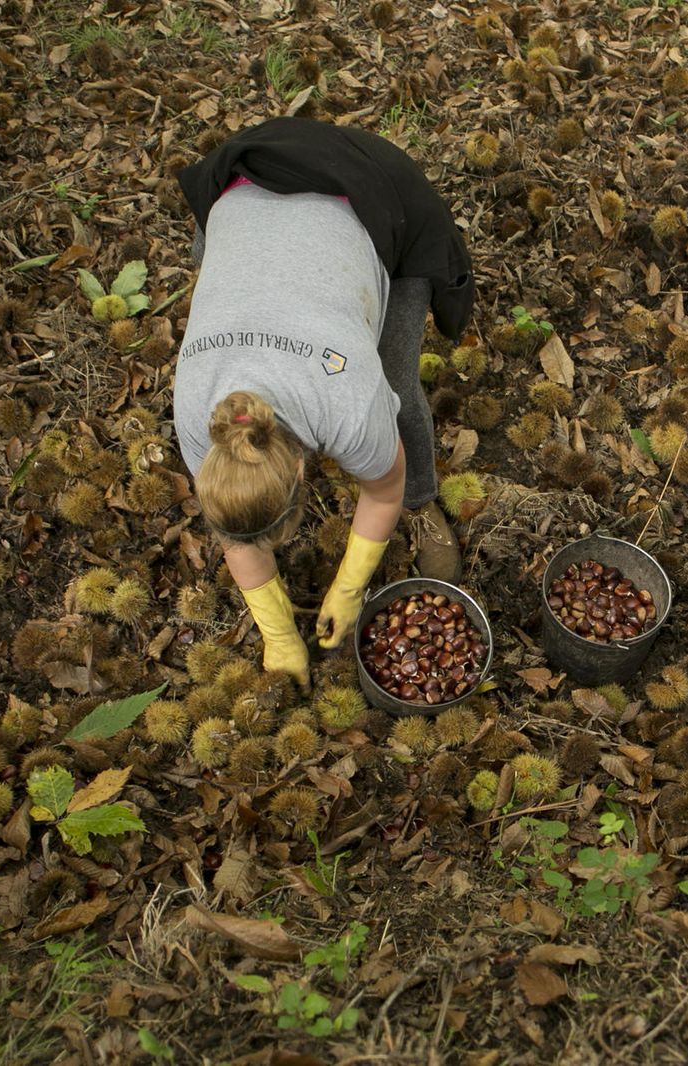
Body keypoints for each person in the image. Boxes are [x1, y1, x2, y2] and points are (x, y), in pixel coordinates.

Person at [172, 118, 474, 687]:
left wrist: (351, 583)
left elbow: (378, 488)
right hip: (246, 195)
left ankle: (424, 502)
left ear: (302, 465)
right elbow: (235, 539)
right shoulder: (198, 416)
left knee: (401, 390)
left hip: (371, 191)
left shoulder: (349, 400)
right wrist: (279, 634)